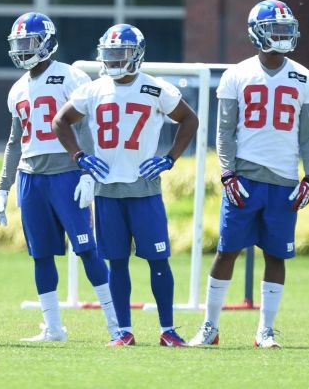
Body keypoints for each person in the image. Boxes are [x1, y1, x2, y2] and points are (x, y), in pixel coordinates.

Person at [188, 0, 309, 349]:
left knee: (276, 255)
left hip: (283, 180)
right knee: (226, 250)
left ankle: (265, 329)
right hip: (244, 178)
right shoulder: (236, 74)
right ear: (256, 33)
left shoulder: (306, 78)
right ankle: (210, 326)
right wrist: (228, 173)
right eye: (275, 30)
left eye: (285, 29)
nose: (282, 35)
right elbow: (225, 130)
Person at [53, 23, 199, 347]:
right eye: (110, 53)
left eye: (122, 53)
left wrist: (171, 157)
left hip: (144, 189)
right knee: (116, 262)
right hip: (107, 190)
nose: (115, 59)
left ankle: (168, 329)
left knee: (158, 260)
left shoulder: (155, 88)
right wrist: (78, 156)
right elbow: (60, 120)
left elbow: (190, 119)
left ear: (137, 55)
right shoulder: (93, 89)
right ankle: (123, 331)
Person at [0, 12, 118, 342]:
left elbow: (86, 126)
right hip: (31, 176)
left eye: (28, 43)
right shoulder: (18, 87)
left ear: (46, 43)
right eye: (18, 44)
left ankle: (115, 325)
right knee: (41, 254)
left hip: (66, 174)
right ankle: (53, 328)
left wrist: (89, 173)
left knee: (87, 249)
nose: (22, 50)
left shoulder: (71, 77)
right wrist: (3, 186)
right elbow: (14, 140)